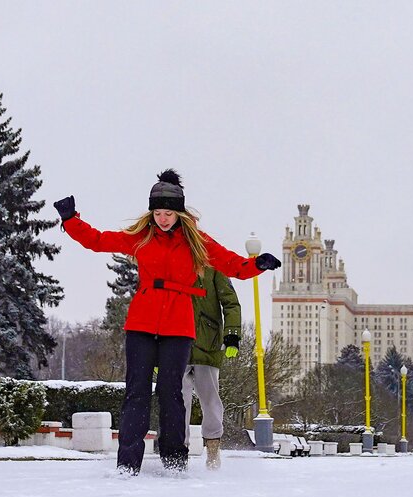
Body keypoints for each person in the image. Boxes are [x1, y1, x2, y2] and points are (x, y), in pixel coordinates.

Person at [54, 169, 281, 475]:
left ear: (179, 214)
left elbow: (232, 265)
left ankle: (175, 461)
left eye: (168, 213)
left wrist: (257, 264)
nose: (162, 219)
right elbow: (97, 240)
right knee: (136, 391)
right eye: (157, 212)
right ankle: (128, 463)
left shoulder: (196, 242)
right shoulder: (141, 238)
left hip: (179, 324)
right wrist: (71, 220)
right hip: (142, 321)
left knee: (171, 393)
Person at [182, 267, 240, 470]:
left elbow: (230, 301)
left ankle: (213, 451)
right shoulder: (172, 259)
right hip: (175, 343)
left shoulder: (215, 266)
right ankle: (179, 451)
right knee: (176, 402)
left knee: (211, 401)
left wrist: (232, 335)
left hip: (207, 343)